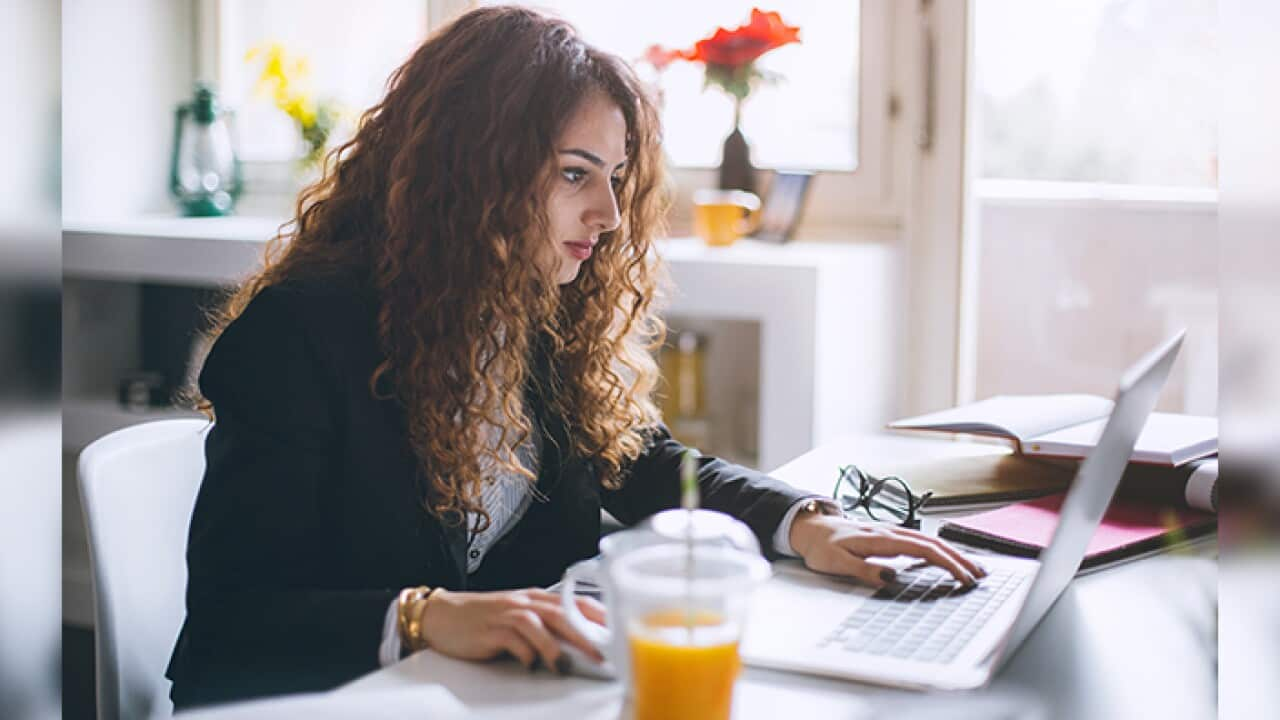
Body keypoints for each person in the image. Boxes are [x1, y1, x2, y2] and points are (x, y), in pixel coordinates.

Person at [165, 5, 985, 710]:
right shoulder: (297, 336)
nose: (610, 216)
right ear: (468, 173)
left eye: (617, 178)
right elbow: (230, 626)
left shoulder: (534, 315)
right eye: (572, 174)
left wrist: (804, 523)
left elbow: (645, 462)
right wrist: (426, 614)